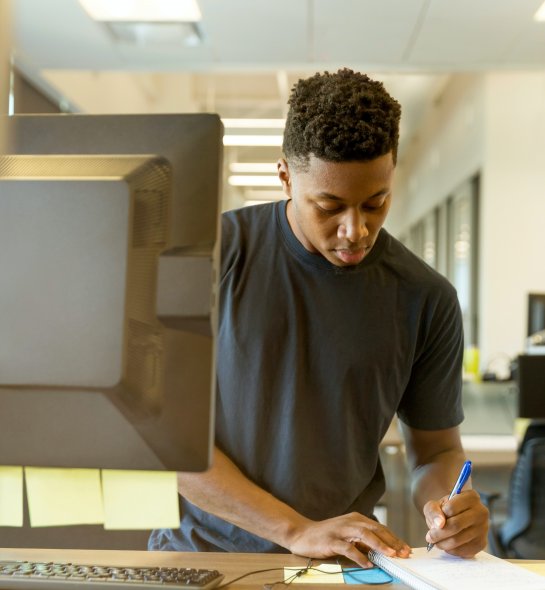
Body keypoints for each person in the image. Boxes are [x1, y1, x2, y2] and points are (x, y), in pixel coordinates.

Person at [149, 68, 489, 566]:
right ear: (285, 175)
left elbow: (436, 452)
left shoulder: (425, 297)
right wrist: (293, 529)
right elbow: (163, 437)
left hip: (339, 565)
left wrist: (450, 510)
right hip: (202, 558)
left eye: (376, 203)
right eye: (329, 206)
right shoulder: (210, 257)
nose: (356, 230)